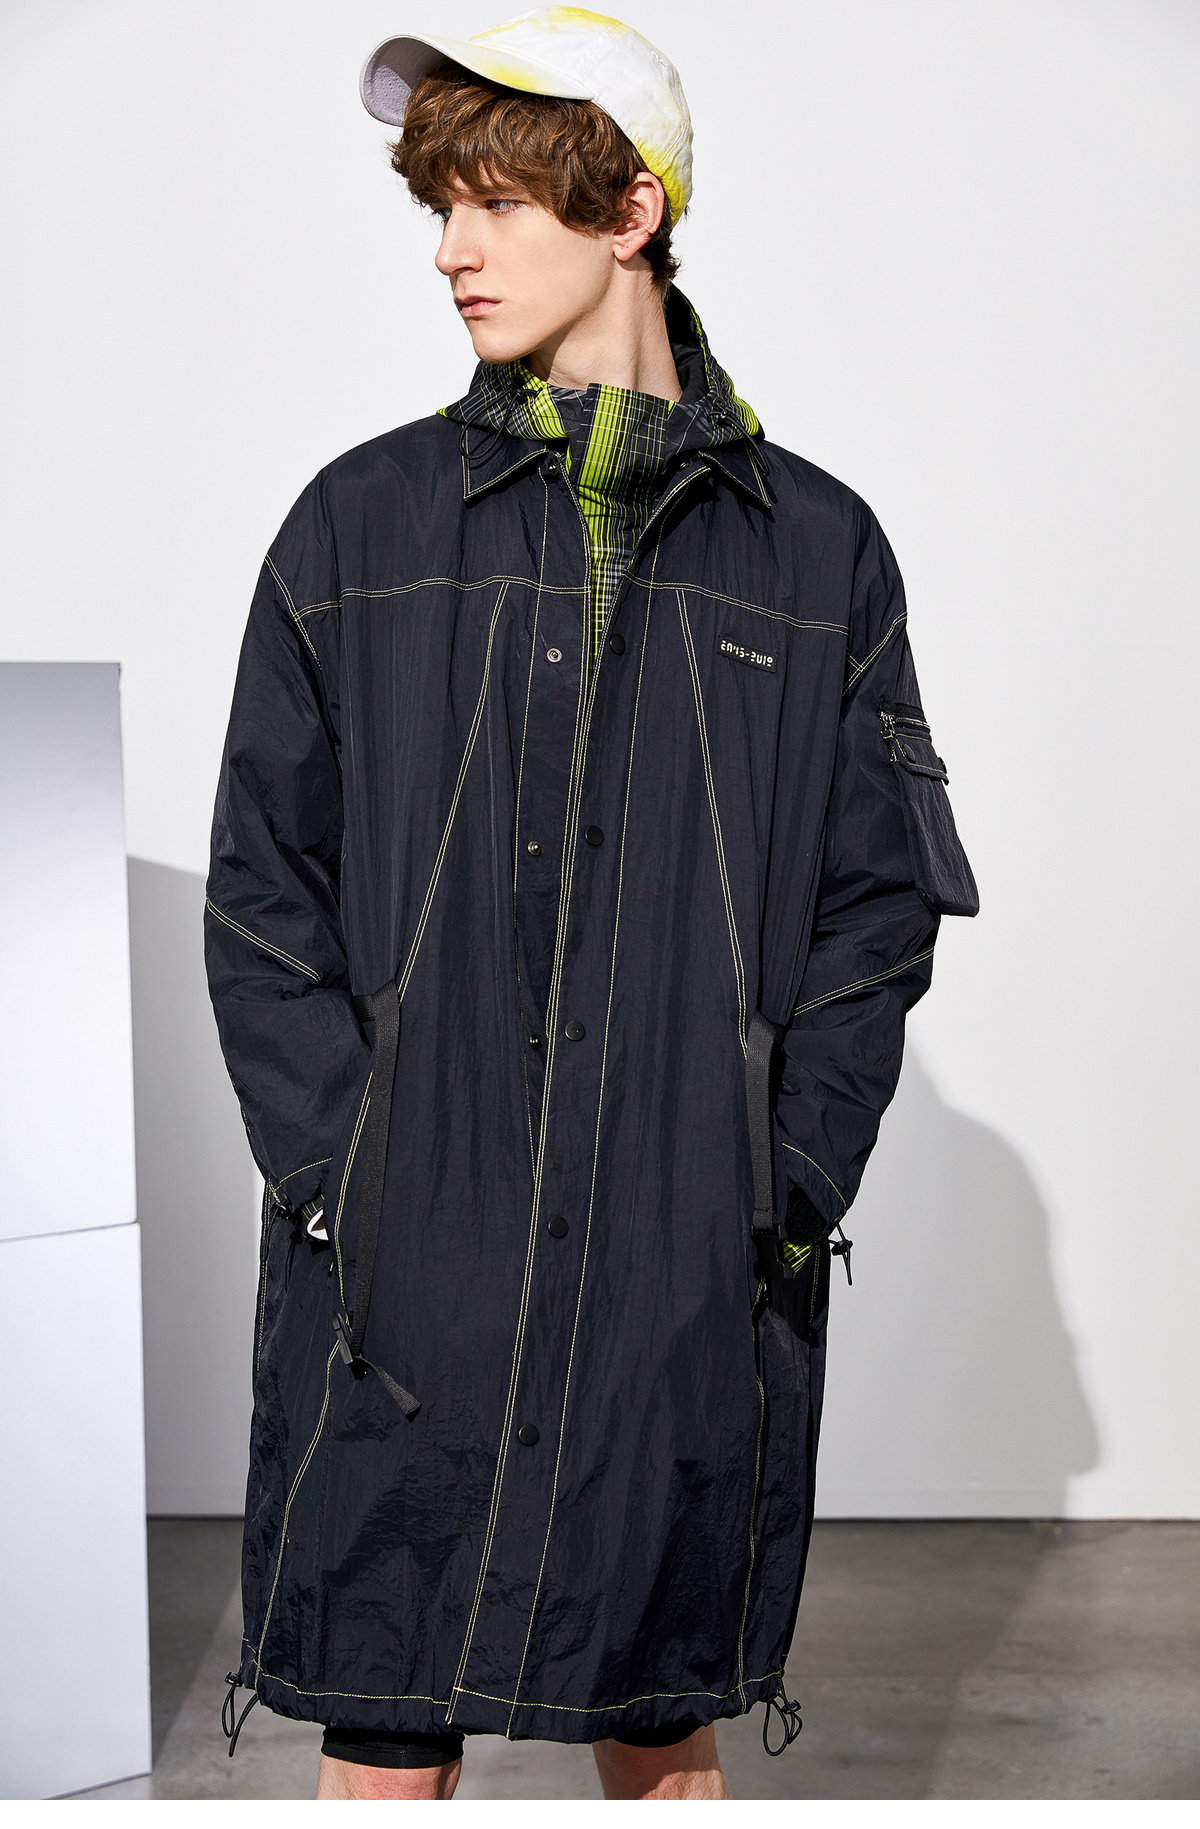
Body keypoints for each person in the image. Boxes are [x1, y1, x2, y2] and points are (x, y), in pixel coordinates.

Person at [205, 5, 979, 1803]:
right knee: (382, 1735)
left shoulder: (820, 551)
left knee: (662, 1728)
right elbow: (263, 892)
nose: (452, 250)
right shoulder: (357, 527)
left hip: (679, 1271)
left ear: (632, 212)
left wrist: (777, 1186)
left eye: (495, 202)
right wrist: (350, 1175)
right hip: (410, 1274)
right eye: (440, 207)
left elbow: (879, 907)